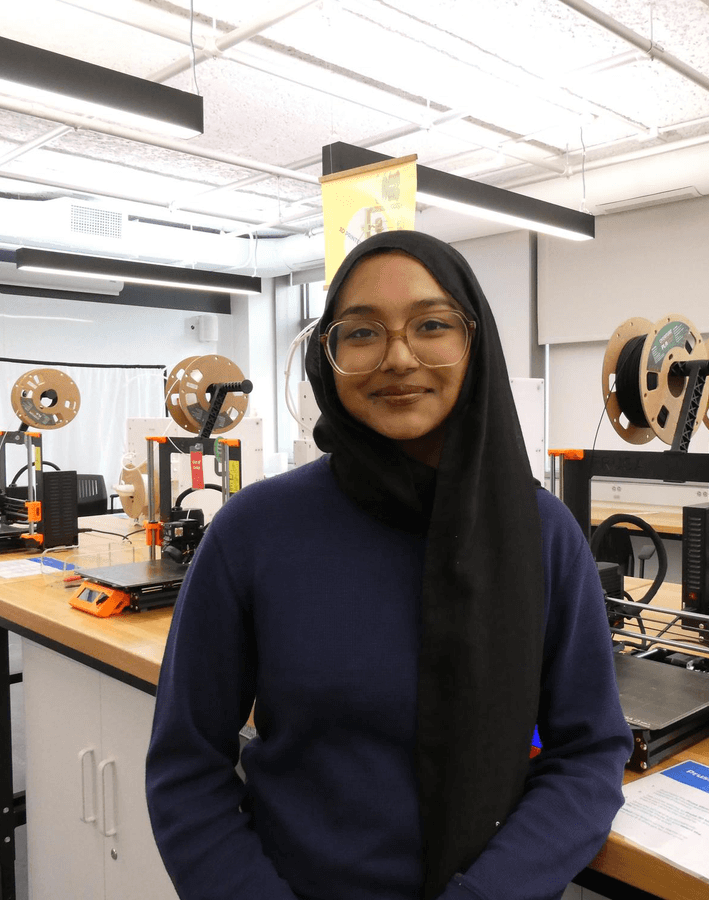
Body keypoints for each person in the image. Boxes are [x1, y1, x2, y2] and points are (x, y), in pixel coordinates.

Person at [146, 230, 633, 900]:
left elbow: (588, 754)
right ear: (329, 357)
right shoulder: (254, 533)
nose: (398, 357)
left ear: (474, 343)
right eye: (362, 332)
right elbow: (185, 768)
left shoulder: (543, 536)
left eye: (431, 325)